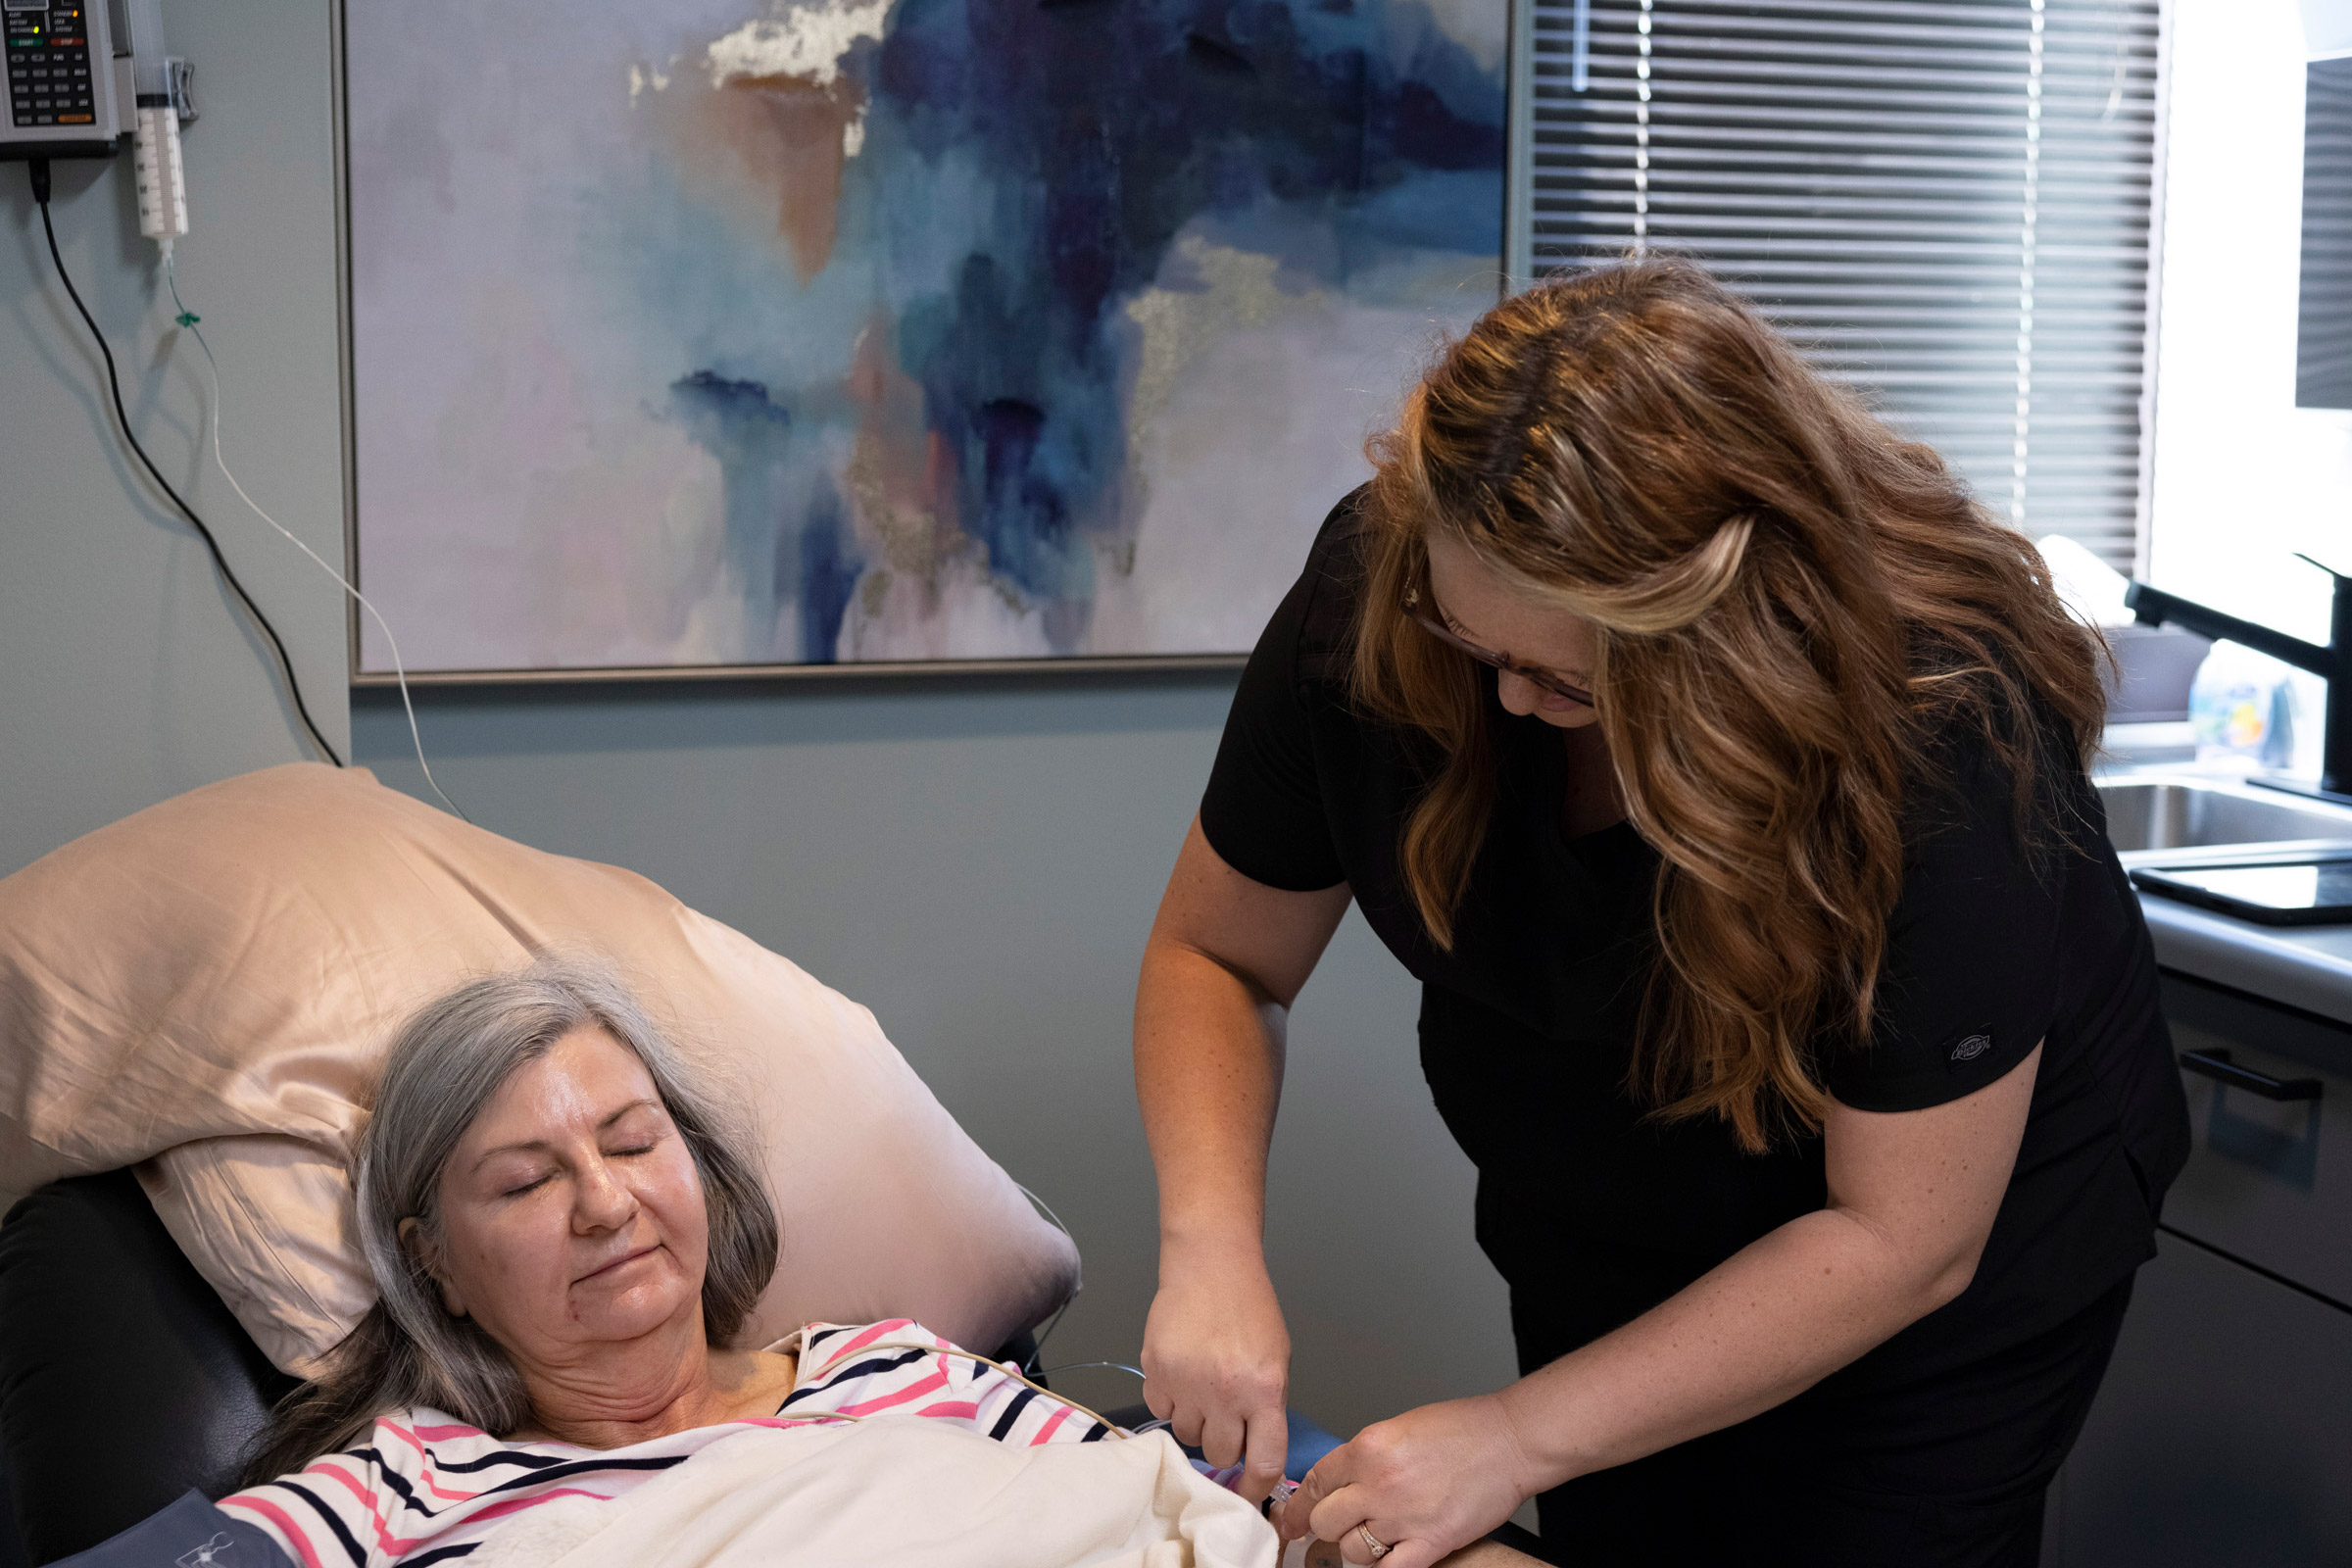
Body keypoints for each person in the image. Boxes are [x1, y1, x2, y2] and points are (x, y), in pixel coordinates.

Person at [1133, 260, 2192, 1568]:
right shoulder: (1388, 588)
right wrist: (1210, 1252)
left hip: (1928, 1283)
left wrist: (1513, 1437)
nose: (1512, 705)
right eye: (1480, 649)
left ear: (1736, 643)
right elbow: (1220, 956)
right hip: (1610, 1210)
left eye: (1573, 680)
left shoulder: (1938, 730)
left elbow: (1900, 1239)